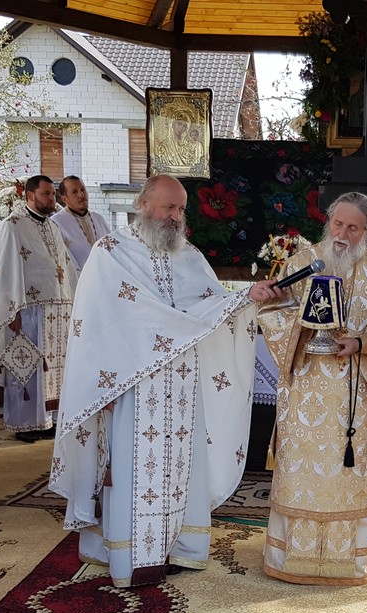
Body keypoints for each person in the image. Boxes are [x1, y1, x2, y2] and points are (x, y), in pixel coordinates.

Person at [51, 175, 276, 588]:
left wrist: (246, 298)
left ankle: (180, 547)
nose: (175, 217)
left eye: (180, 209)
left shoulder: (188, 254)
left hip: (183, 387)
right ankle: (131, 556)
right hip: (132, 386)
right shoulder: (111, 253)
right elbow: (103, 323)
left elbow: (209, 304)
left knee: (183, 468)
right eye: (167, 207)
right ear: (143, 204)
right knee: (132, 471)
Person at [257, 191, 367, 585]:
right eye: (338, 224)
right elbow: (273, 313)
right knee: (302, 474)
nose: (343, 234)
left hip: (354, 398)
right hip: (305, 389)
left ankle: (351, 560)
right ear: (328, 222)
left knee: (348, 476)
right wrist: (290, 317)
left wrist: (361, 343)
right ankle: (293, 559)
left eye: (354, 227)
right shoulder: (300, 264)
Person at [0, 174, 77, 442]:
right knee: (25, 366)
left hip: (56, 311)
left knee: (51, 370)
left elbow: (65, 269)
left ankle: (45, 419)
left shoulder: (53, 227)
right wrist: (9, 311)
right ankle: (23, 423)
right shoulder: (11, 226)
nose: (52, 199)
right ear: (30, 195)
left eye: (52, 194)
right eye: (46, 194)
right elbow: (1, 272)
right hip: (26, 310)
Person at [52, 176, 109, 269]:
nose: (81, 195)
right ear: (64, 199)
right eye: (75, 192)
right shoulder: (56, 223)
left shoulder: (99, 219)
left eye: (83, 190)